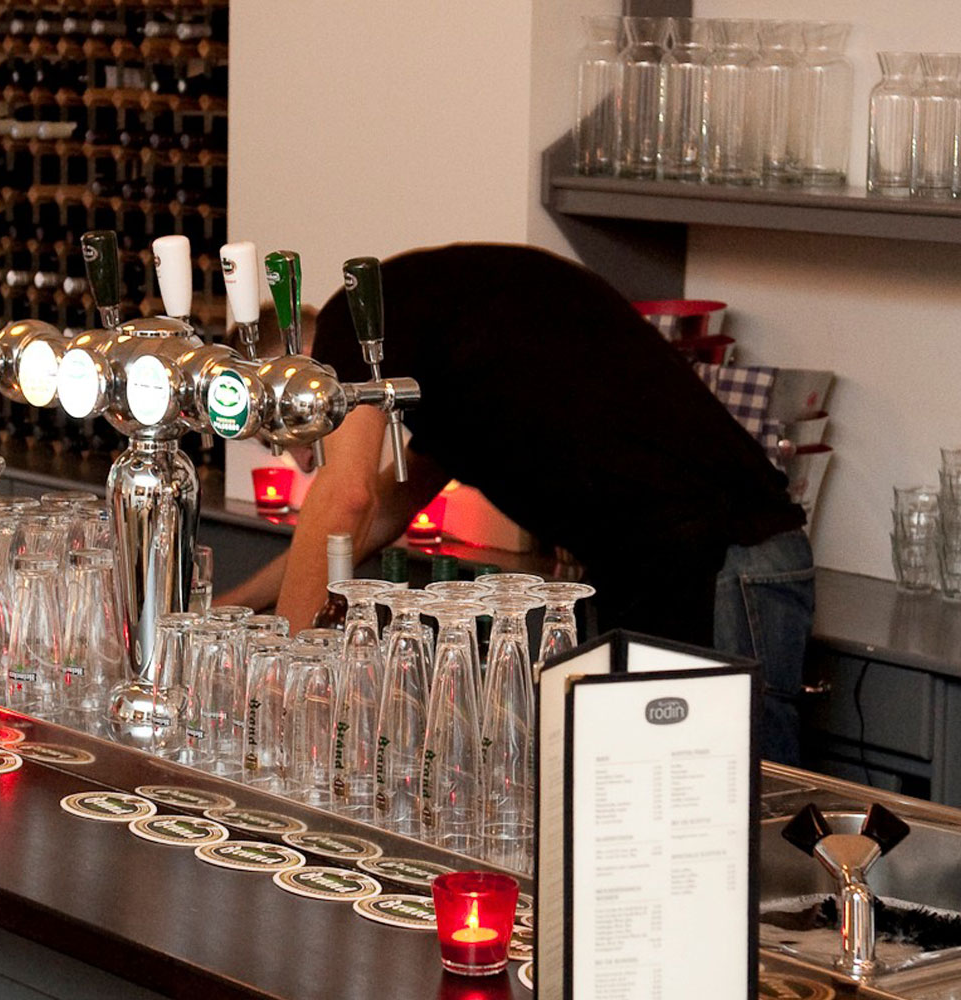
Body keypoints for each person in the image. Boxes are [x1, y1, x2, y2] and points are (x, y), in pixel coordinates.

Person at [222, 243, 813, 764]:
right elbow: (384, 511)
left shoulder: (355, 321)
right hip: (669, 566)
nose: (297, 459)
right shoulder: (450, 361)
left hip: (726, 561)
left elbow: (347, 498)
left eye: (280, 430)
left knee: (739, 813)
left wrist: (280, 682)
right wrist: (236, 606)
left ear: (291, 373)